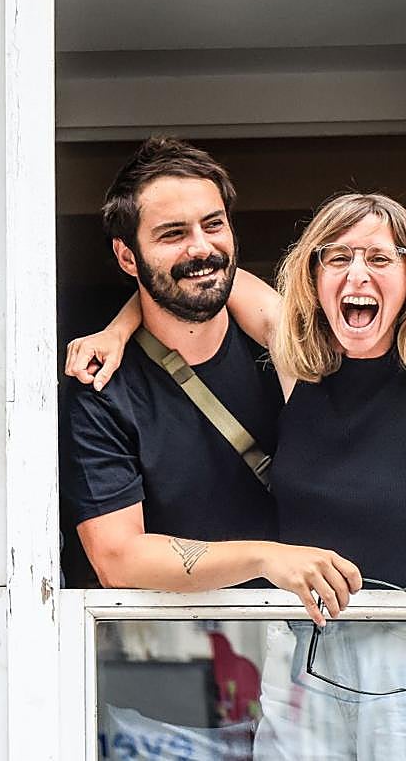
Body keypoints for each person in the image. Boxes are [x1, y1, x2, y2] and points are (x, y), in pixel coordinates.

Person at [60, 137, 360, 624]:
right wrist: (266, 557)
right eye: (172, 233)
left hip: (322, 642)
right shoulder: (102, 387)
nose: (202, 247)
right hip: (167, 660)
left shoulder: (278, 340)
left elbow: (223, 278)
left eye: (213, 224)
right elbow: (117, 559)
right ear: (127, 257)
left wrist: (121, 323)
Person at [222, 192, 406, 759]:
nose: (358, 274)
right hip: (300, 643)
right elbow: (203, 279)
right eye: (338, 257)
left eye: (379, 258)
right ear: (313, 274)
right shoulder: (296, 362)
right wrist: (119, 329)